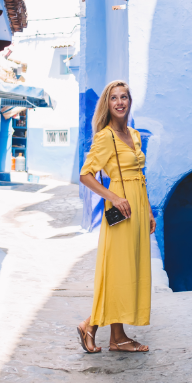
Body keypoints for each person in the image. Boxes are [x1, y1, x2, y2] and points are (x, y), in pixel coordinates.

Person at [76, 80, 155, 353]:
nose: (120, 102)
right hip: (120, 209)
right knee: (117, 272)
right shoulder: (105, 137)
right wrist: (114, 198)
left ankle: (114, 337)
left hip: (138, 208)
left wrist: (148, 209)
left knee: (128, 272)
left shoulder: (133, 135)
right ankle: (97, 327)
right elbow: (85, 175)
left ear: (129, 102)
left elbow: (139, 176)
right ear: (107, 105)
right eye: (114, 98)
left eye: (124, 97)